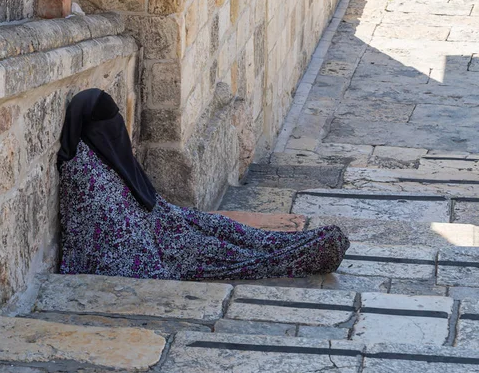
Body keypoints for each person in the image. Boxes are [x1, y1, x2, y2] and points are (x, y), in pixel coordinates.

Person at [57, 89, 350, 280]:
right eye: (110, 125)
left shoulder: (102, 152)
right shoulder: (88, 175)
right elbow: (114, 244)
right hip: (161, 248)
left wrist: (175, 221)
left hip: (169, 223)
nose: (117, 132)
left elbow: (145, 203)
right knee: (231, 255)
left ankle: (312, 243)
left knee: (229, 232)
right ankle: (313, 250)